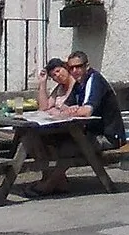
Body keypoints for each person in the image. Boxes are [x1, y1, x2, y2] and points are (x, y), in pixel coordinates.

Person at [29, 50, 123, 195]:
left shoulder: (94, 80)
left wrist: (65, 111)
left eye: (78, 67)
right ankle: (59, 182)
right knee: (41, 139)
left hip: (107, 135)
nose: (75, 71)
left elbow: (86, 111)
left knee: (68, 148)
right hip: (88, 131)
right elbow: (63, 107)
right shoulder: (79, 83)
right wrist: (65, 110)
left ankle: (49, 184)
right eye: (72, 67)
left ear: (87, 66)